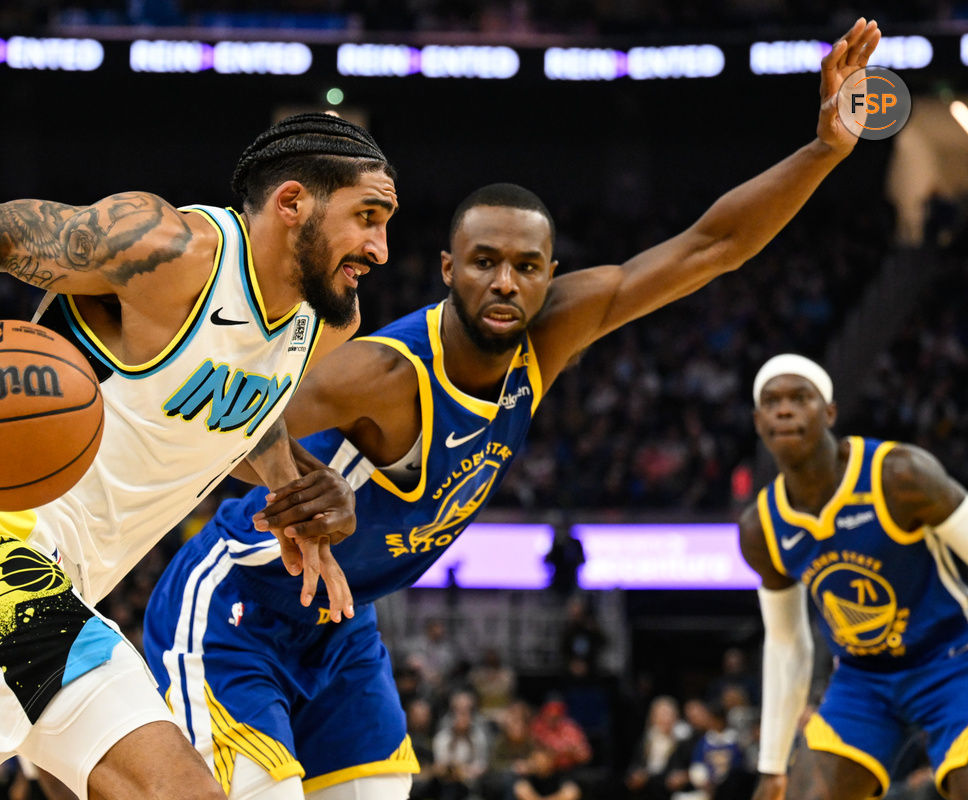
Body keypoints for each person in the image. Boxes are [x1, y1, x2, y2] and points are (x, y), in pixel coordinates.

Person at [143, 18, 881, 800]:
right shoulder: (386, 374)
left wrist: (825, 150)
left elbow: (713, 245)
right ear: (447, 269)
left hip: (340, 621)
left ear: (548, 274)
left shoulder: (554, 332)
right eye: (484, 262)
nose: (504, 283)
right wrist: (300, 479)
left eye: (525, 267)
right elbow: (228, 412)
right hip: (239, 604)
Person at [0, 113, 398, 800]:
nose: (381, 247)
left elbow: (242, 408)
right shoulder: (168, 249)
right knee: (179, 790)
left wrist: (294, 491)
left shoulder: (328, 323)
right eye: (366, 217)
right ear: (291, 204)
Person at [739, 354, 968, 800]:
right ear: (758, 420)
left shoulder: (900, 475)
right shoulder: (760, 526)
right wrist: (771, 765)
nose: (784, 409)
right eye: (772, 401)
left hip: (953, 659)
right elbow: (787, 642)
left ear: (829, 412)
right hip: (863, 682)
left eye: (799, 398)